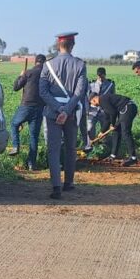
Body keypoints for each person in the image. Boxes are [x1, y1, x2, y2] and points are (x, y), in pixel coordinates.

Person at [39, 31, 88, 199]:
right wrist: (66, 111)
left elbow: (43, 92)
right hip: (72, 112)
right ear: (72, 45)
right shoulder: (80, 65)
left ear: (58, 45)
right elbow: (79, 92)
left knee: (53, 150)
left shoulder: (48, 65)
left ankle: (56, 187)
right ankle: (69, 183)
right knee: (71, 148)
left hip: (53, 113)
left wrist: (58, 109)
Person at [6, 54, 46, 169]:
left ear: (35, 62)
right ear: (44, 63)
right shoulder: (46, 75)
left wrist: (21, 75)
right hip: (39, 109)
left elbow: (16, 87)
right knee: (34, 137)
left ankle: (15, 146)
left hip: (26, 106)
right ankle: (31, 164)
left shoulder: (28, 73)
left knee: (14, 124)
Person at [89, 91, 138, 166]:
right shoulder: (103, 103)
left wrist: (113, 124)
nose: (93, 105)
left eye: (91, 103)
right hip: (124, 110)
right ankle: (113, 155)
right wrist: (102, 132)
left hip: (128, 107)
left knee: (125, 132)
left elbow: (113, 113)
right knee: (116, 131)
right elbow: (107, 119)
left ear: (94, 100)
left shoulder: (103, 100)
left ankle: (133, 157)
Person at [84, 67, 116, 142]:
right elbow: (87, 98)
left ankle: (104, 144)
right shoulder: (91, 84)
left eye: (102, 76)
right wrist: (87, 109)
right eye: (99, 76)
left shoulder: (110, 84)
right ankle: (91, 143)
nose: (100, 78)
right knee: (89, 128)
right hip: (92, 110)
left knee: (105, 129)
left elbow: (112, 97)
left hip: (104, 111)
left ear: (105, 74)